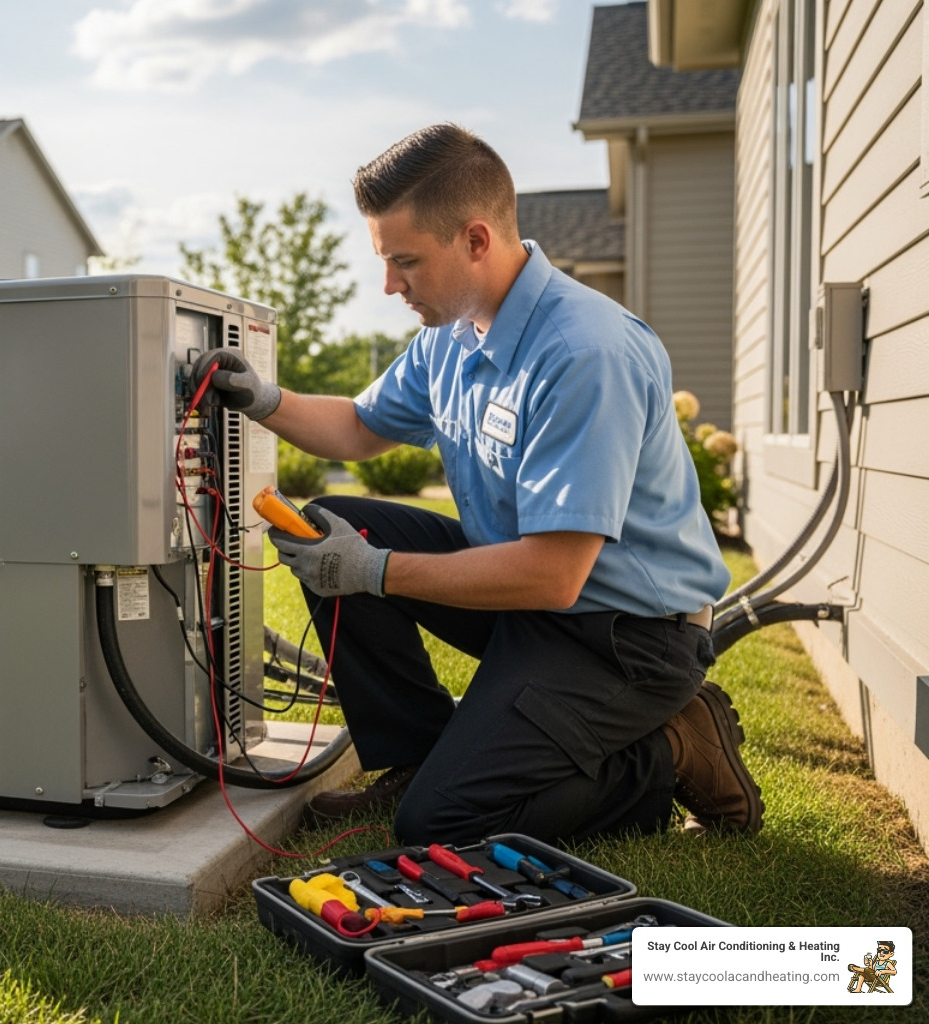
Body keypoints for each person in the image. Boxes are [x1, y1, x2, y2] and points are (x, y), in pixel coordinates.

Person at [190, 123, 762, 846]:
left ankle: (668, 752)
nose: (389, 285)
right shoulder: (449, 337)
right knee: (333, 520)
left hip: (625, 637)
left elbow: (555, 574)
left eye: (405, 262)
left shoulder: (583, 354)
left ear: (476, 240)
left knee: (443, 822)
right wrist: (262, 399)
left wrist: (376, 573)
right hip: (533, 605)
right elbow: (360, 429)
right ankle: (415, 754)